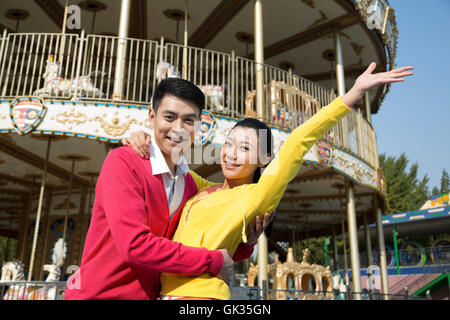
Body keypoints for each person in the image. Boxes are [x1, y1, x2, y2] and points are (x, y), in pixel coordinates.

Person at [125, 62, 413, 300]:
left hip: (200, 297)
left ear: (263, 159)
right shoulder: (203, 188)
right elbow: (172, 162)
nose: (232, 154)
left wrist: (350, 96)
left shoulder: (256, 195)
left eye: (245, 148)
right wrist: (142, 139)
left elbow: (298, 142)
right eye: (229, 143)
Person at [64, 78, 272, 300]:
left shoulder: (190, 184)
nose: (178, 129)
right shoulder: (123, 162)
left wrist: (246, 244)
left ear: (200, 124)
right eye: (169, 117)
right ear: (152, 117)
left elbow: (204, 241)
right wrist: (213, 261)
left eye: (189, 120)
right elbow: (134, 245)